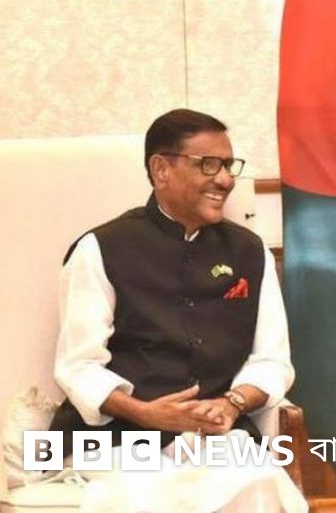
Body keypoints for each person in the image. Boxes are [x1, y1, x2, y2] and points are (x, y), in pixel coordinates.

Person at [48, 109, 306, 512]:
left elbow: (272, 360)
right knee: (151, 492)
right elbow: (78, 366)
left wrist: (232, 403)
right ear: (161, 169)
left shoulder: (249, 251)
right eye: (208, 164)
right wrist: (146, 414)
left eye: (228, 165)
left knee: (257, 481)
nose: (225, 179)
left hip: (214, 437)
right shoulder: (100, 248)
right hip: (117, 438)